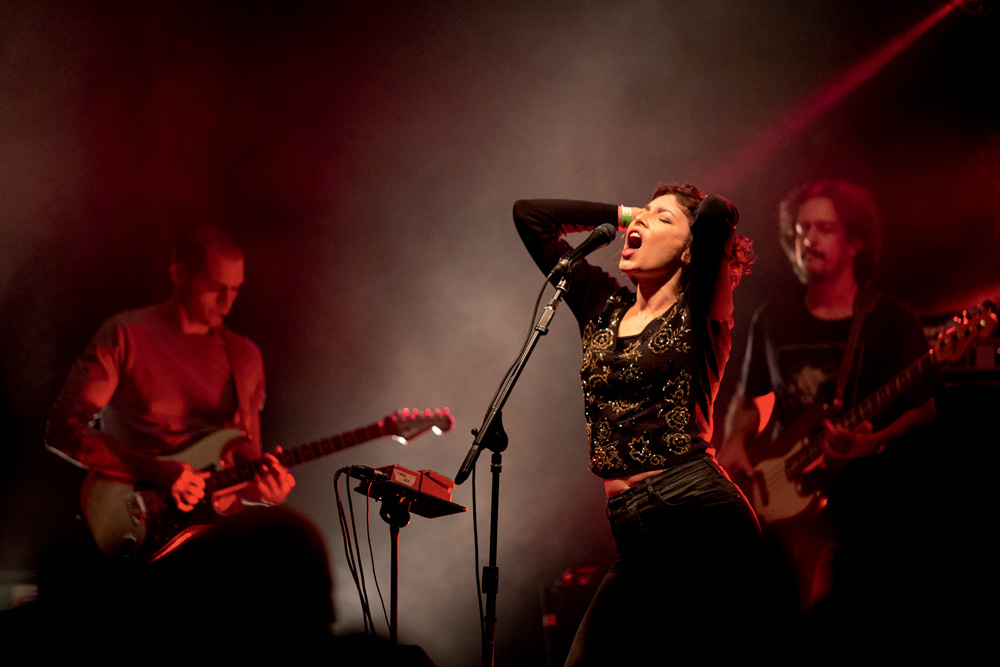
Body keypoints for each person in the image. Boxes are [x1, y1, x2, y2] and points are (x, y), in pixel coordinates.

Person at [514, 183, 759, 664]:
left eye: (662, 219)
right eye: (640, 216)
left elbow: (714, 213)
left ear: (692, 252)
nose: (642, 222)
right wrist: (630, 215)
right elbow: (530, 215)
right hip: (634, 533)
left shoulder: (703, 307)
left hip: (699, 515)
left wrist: (684, 227)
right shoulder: (600, 304)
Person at [719, 179, 937, 610]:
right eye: (801, 230)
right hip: (783, 502)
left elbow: (926, 410)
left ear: (855, 241)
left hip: (872, 507)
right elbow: (748, 402)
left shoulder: (891, 319)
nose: (809, 239)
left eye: (824, 228)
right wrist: (735, 440)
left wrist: (874, 443)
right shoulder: (772, 319)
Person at [45, 224, 295, 559]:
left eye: (235, 289)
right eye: (215, 288)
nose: (227, 302)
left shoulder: (246, 356)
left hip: (208, 542)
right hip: (133, 523)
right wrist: (157, 470)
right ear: (179, 275)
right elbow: (64, 429)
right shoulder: (125, 334)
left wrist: (263, 491)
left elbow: (243, 465)